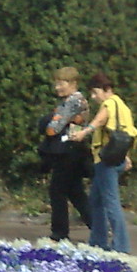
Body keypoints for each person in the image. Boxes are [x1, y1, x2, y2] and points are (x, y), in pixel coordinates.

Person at [70, 72, 137, 253]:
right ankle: (98, 241)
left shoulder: (109, 103)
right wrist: (126, 156)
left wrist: (84, 133)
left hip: (105, 160)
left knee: (110, 203)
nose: (94, 97)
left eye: (95, 92)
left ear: (107, 90)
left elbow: (100, 121)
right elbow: (122, 134)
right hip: (115, 158)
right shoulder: (123, 106)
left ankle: (121, 246)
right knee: (96, 201)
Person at [38, 66, 92, 241]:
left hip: (67, 152)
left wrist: (49, 119)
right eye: (56, 84)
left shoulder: (72, 102)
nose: (57, 88)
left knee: (57, 191)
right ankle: (99, 228)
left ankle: (60, 233)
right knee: (75, 192)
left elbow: (52, 129)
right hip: (75, 151)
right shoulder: (78, 101)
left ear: (73, 83)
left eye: (61, 83)